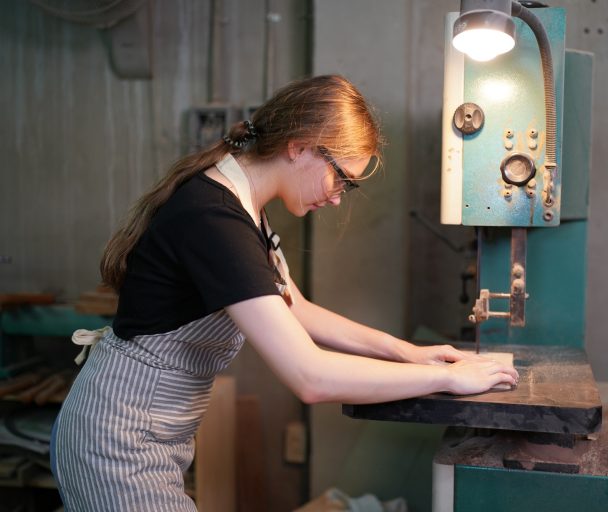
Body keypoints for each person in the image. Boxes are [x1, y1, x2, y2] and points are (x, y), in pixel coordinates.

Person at [51, 74, 518, 511]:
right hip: (116, 442)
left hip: (153, 433)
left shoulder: (246, 208)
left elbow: (299, 310)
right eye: (341, 177)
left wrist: (410, 353)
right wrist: (448, 380)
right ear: (299, 148)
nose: (337, 198)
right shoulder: (213, 219)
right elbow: (309, 376)